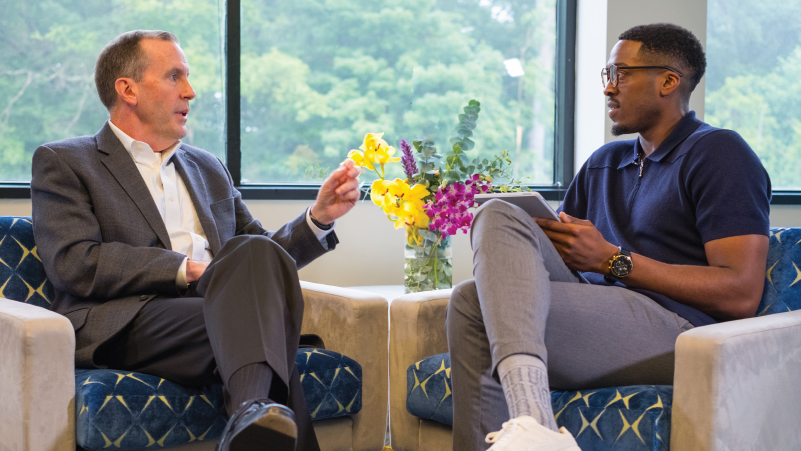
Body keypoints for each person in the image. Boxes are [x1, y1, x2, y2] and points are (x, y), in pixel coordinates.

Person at [30, 30, 361, 451]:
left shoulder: (207, 166)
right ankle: (253, 408)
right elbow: (75, 262)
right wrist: (187, 270)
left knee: (252, 264)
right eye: (175, 76)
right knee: (264, 327)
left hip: (218, 307)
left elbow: (261, 256)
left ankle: (252, 410)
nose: (191, 91)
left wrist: (319, 218)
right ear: (127, 89)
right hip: (129, 319)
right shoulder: (66, 161)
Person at [446, 23, 771, 451]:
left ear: (668, 81)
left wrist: (612, 260)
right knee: (493, 229)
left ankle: (534, 425)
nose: (608, 89)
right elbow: (564, 260)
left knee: (475, 303)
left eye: (621, 74)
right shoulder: (605, 161)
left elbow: (741, 293)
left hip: (682, 332)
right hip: (600, 314)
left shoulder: (719, 153)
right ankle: (533, 430)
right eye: (607, 76)